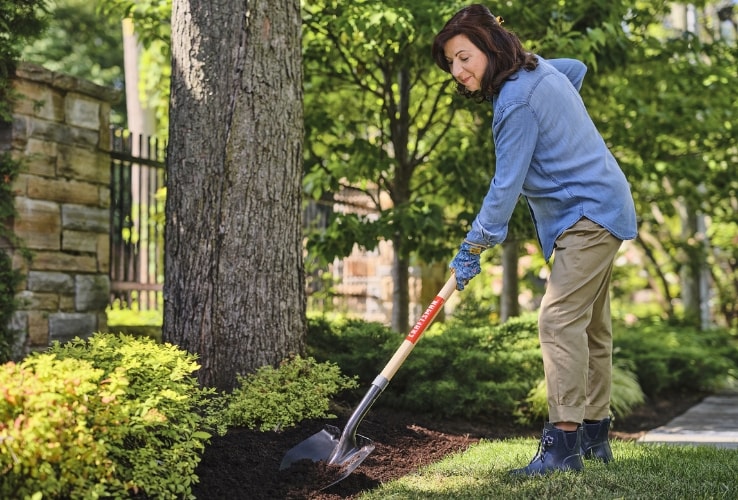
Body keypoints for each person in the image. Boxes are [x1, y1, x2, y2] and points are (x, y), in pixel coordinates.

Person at [432, 5, 638, 476]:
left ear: (488, 46)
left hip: (586, 214)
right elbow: (575, 69)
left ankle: (563, 446)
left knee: (557, 319)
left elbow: (505, 187)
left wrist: (473, 247)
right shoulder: (539, 70)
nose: (458, 72)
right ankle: (594, 438)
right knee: (591, 328)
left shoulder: (515, 104)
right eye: (451, 64)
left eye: (464, 57)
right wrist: (560, 115)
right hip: (606, 204)